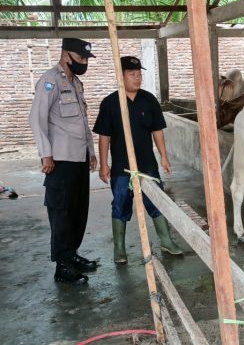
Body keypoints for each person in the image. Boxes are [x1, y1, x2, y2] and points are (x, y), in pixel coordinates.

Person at [93, 56, 183, 265]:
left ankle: (167, 241)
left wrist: (164, 157)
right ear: (120, 76)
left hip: (147, 164)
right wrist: (104, 164)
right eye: (132, 74)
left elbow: (157, 131)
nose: (138, 78)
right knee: (121, 202)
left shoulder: (148, 100)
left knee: (157, 201)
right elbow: (104, 136)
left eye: (139, 74)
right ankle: (119, 249)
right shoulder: (110, 103)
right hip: (122, 167)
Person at [29, 38, 98, 285]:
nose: (84, 63)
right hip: (60, 159)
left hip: (78, 157)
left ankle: (72, 254)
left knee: (79, 209)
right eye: (81, 59)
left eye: (86, 59)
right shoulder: (50, 81)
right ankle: (62, 265)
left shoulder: (76, 83)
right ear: (66, 54)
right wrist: (45, 153)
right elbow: (37, 119)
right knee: (62, 212)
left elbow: (81, 122)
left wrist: (91, 151)